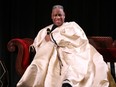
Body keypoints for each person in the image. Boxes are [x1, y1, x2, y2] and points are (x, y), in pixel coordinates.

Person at [17, 5, 115, 87]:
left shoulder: (72, 25)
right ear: (51, 16)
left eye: (60, 15)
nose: (57, 17)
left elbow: (80, 39)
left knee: (87, 59)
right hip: (54, 53)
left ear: (64, 16)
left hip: (74, 50)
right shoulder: (44, 30)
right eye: (55, 15)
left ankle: (70, 81)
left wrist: (54, 38)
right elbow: (36, 44)